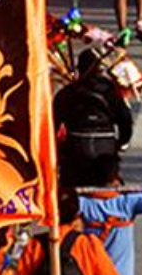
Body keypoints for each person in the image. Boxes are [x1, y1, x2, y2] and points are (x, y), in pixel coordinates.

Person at [55, 49, 133, 188]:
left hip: (76, 148)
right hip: (106, 146)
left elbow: (52, 124)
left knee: (68, 185)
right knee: (110, 186)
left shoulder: (68, 92)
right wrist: (120, 143)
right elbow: (125, 121)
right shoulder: (112, 91)